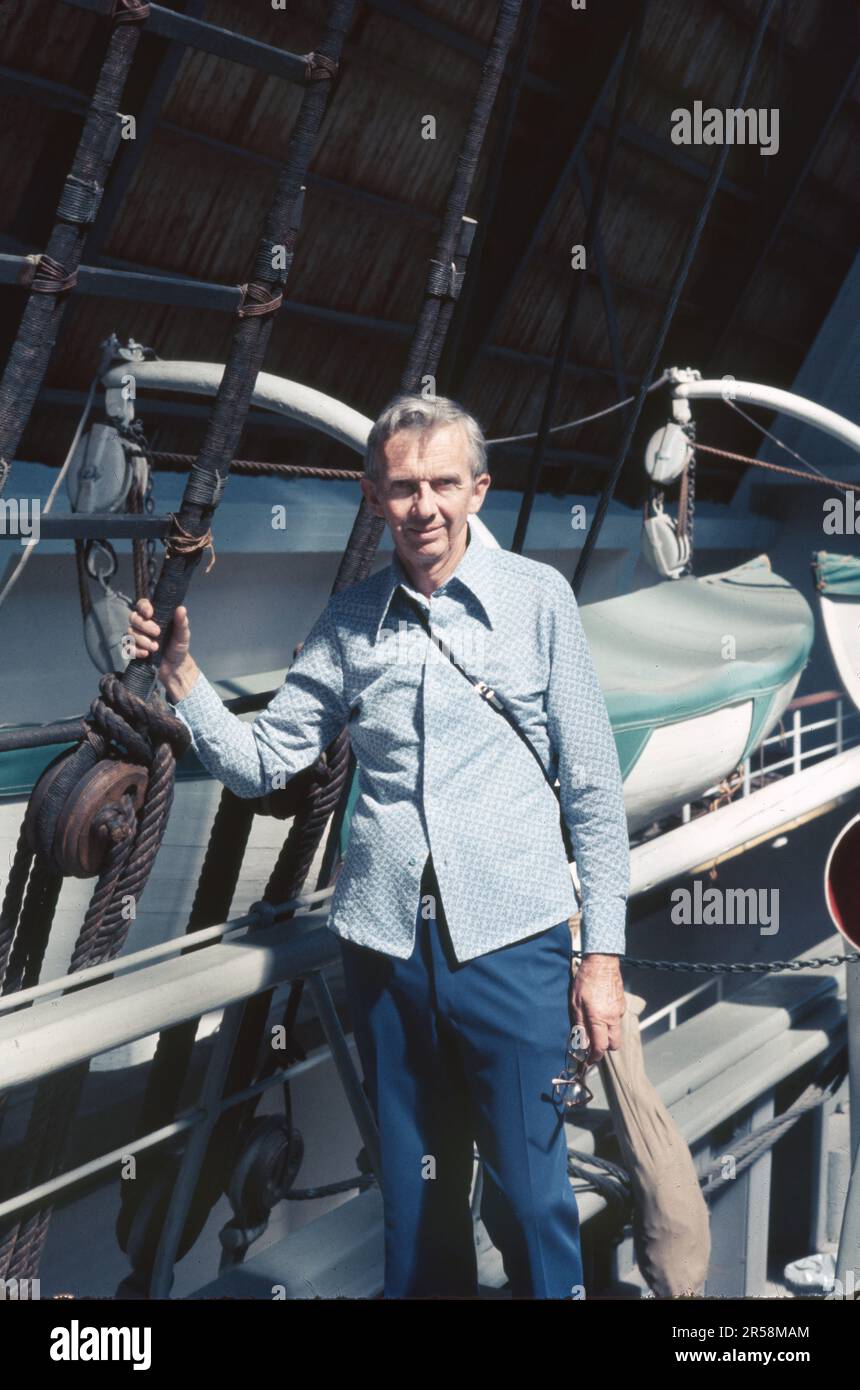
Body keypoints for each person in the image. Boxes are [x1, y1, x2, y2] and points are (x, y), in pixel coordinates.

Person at [127, 394, 629, 1299]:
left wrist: (602, 960)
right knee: (417, 1193)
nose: (423, 506)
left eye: (443, 484)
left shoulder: (537, 602)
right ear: (372, 496)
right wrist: (182, 675)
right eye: (402, 487)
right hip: (388, 953)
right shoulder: (351, 621)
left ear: (479, 488)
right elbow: (264, 762)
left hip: (514, 946)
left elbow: (594, 791)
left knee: (532, 1199)